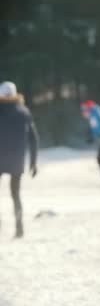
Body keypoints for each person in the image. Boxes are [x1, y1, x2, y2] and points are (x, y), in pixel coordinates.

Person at [0, 81, 38, 238]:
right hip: (17, 159)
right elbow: (34, 138)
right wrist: (33, 162)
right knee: (16, 194)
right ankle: (19, 228)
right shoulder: (23, 111)